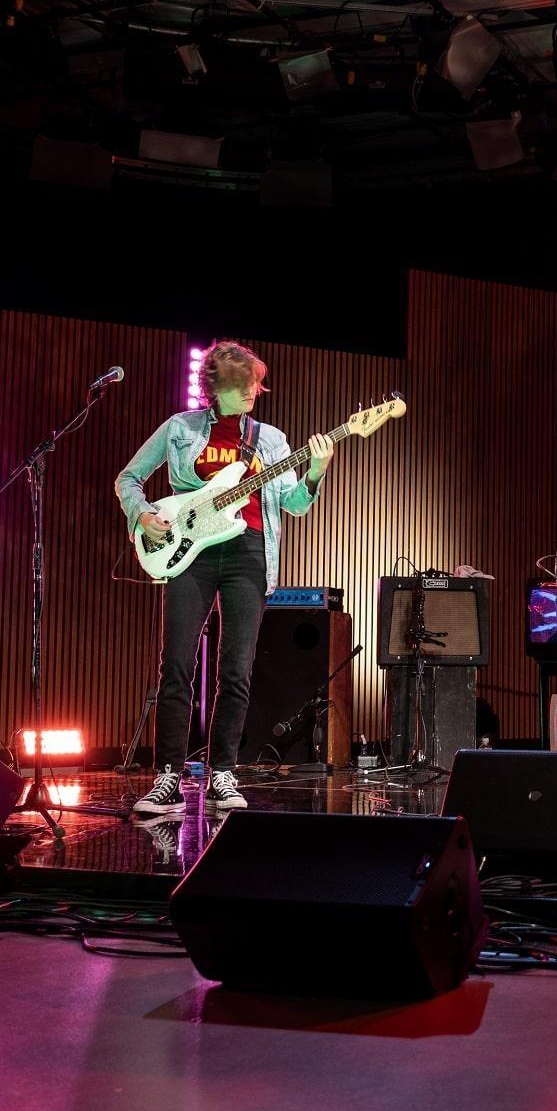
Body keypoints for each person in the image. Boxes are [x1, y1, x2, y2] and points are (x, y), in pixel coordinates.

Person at [117, 341, 333, 814]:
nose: (256, 390)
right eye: (246, 384)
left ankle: (222, 774)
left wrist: (314, 472)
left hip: (248, 553)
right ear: (219, 388)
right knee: (176, 666)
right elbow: (128, 479)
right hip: (190, 552)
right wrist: (144, 516)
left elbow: (293, 504)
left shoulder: (270, 440)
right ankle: (169, 775)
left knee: (235, 670)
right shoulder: (180, 428)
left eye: (257, 382)